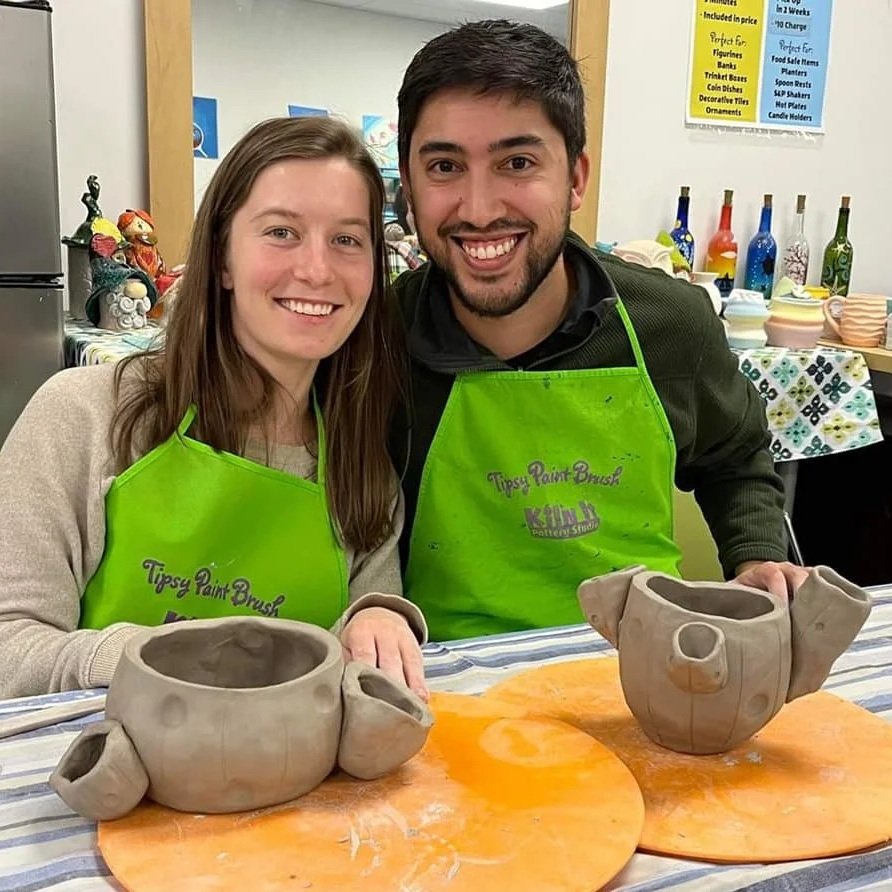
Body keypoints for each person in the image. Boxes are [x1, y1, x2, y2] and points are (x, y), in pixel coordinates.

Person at [390, 20, 807, 642]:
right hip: (445, 677)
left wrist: (757, 555)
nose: (478, 209)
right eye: (445, 166)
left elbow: (735, 459)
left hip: (644, 664)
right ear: (410, 186)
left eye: (518, 162)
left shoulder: (671, 324)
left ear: (576, 179)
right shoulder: (378, 339)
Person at [0, 117, 428, 700]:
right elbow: (8, 646)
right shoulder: (83, 417)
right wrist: (151, 660)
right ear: (223, 257)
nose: (318, 269)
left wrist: (376, 620)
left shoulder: (364, 470)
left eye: (348, 239)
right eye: (281, 232)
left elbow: (359, 664)